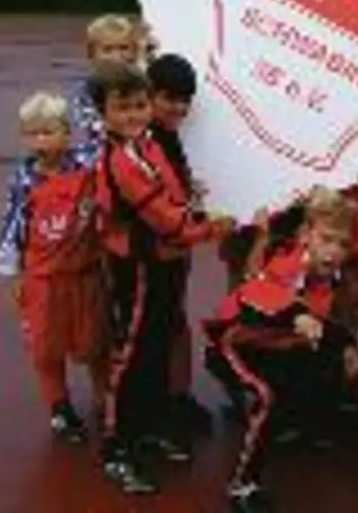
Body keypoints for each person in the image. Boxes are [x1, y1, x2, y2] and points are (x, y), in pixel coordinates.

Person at [90, 64, 233, 494]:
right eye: (123, 108)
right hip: (141, 267)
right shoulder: (122, 160)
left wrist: (196, 208)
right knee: (132, 355)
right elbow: (166, 221)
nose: (134, 115)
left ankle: (146, 428)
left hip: (165, 263)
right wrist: (211, 228)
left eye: (139, 106)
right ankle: (117, 448)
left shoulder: (148, 144)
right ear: (103, 112)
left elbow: (175, 196)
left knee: (155, 350)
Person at [203, 189, 358, 513]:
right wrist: (297, 315)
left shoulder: (334, 277)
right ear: (306, 236)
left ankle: (289, 424)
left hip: (275, 344)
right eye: (327, 240)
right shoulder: (288, 263)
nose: (333, 252)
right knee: (266, 396)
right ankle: (241, 486)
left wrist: (347, 345)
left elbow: (327, 322)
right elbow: (255, 295)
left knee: (321, 366)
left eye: (342, 244)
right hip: (234, 342)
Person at [0, 92, 103, 446]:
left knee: (95, 341)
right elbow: (14, 226)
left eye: (48, 132)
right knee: (45, 347)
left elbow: (104, 135)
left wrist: (90, 95)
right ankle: (59, 406)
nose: (40, 141)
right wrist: (18, 274)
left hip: (85, 272)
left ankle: (105, 401)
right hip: (43, 277)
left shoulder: (87, 162)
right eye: (32, 134)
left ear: (67, 133)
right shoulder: (25, 178)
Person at [144, 52, 214, 447]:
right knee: (153, 331)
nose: (179, 107)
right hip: (151, 254)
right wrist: (202, 225)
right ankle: (153, 412)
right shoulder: (144, 141)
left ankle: (176, 396)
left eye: (185, 100)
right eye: (169, 98)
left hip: (174, 251)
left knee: (173, 324)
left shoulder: (169, 136)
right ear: (150, 95)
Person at [68, 14, 141, 145]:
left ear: (135, 52)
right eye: (107, 49)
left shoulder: (143, 86)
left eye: (124, 48)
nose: (117, 56)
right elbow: (92, 129)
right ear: (91, 54)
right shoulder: (84, 93)